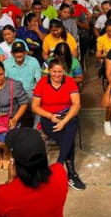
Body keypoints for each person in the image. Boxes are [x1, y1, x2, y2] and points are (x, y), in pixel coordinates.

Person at [32, 58, 85, 190]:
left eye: (60, 72)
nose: (57, 75)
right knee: (69, 140)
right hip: (48, 118)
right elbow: (35, 107)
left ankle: (59, 164)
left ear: (64, 71)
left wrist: (63, 121)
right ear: (49, 71)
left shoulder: (70, 82)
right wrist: (50, 116)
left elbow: (76, 105)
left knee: (72, 123)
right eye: (54, 71)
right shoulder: (42, 83)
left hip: (67, 117)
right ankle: (71, 174)